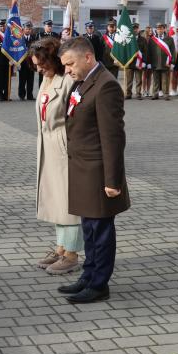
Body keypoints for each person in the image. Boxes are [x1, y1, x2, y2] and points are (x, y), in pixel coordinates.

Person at [57, 37, 130, 303]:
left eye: (70, 64)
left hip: (98, 173)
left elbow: (113, 138)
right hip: (83, 170)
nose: (67, 70)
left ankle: (99, 284)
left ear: (88, 58)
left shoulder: (106, 86)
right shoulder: (83, 81)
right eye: (65, 65)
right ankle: (88, 276)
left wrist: (112, 180)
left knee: (101, 231)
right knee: (88, 228)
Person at [31, 38, 83, 275]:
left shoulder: (68, 81)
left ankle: (72, 254)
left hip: (64, 147)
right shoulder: (47, 78)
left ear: (53, 61)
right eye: (36, 65)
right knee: (55, 201)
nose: (38, 69)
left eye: (42, 64)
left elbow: (77, 118)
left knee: (68, 204)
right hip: (48, 146)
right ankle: (61, 248)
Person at [148, 23, 176, 101]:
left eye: (161, 28)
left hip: (165, 63)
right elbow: (149, 52)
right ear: (156, 30)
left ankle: (166, 94)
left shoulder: (170, 39)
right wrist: (149, 63)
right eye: (158, 29)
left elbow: (173, 51)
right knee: (155, 80)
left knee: (165, 80)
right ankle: (155, 94)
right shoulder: (152, 39)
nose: (159, 30)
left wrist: (172, 62)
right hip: (155, 63)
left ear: (164, 29)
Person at [123, 22, 146, 100]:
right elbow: (125, 51)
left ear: (138, 29)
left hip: (139, 62)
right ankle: (128, 94)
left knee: (139, 80)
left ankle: (138, 94)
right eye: (133, 28)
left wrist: (144, 62)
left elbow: (145, 52)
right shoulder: (127, 39)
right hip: (129, 62)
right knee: (129, 80)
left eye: (136, 28)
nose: (135, 30)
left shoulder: (143, 39)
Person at [18, 22, 38, 101]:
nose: (28, 30)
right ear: (23, 30)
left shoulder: (34, 38)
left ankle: (30, 95)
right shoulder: (20, 38)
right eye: (26, 29)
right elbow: (17, 51)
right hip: (22, 62)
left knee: (30, 80)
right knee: (22, 80)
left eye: (29, 29)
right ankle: (21, 95)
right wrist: (18, 62)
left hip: (31, 62)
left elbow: (36, 50)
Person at [0, 19, 10, 101]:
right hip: (0, 60)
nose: (2, 28)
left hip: (8, 60)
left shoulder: (9, 35)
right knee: (0, 78)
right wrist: (6, 46)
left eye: (3, 26)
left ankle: (7, 95)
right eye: (1, 26)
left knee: (7, 78)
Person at [142, 26, 154, 96]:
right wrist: (143, 61)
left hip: (151, 60)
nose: (150, 32)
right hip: (144, 60)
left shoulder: (153, 39)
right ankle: (143, 91)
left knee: (149, 76)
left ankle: (148, 91)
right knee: (144, 76)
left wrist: (151, 62)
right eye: (149, 30)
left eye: (151, 30)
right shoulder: (143, 39)